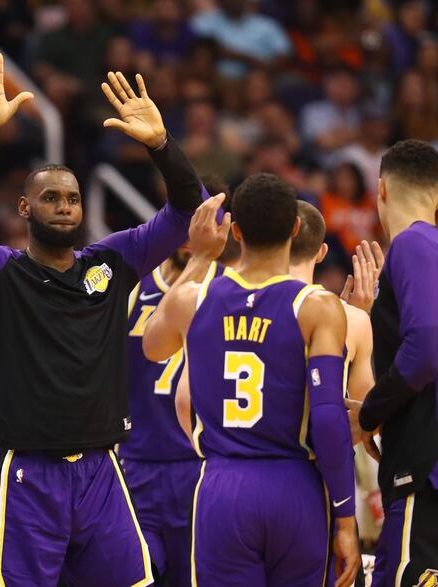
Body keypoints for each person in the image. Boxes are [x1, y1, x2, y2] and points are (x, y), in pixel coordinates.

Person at [0, 48, 206, 587]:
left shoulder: (113, 260)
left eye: (73, 199)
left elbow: (189, 212)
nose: (64, 206)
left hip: (104, 469)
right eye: (51, 198)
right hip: (28, 473)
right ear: (23, 208)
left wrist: (160, 144)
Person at [143, 173, 360, 587]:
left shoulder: (194, 299)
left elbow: (153, 346)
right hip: (295, 485)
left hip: (222, 487)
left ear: (236, 231)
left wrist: (202, 257)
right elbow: (330, 419)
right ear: (295, 229)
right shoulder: (316, 306)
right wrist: (346, 518)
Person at [122, 191, 231, 587]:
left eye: (205, 226)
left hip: (201, 466)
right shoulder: (134, 287)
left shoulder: (229, 292)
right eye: (188, 225)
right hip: (135, 464)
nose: (192, 236)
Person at [358, 140, 438, 587]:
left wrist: (372, 411)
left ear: (382, 190)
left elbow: (427, 346)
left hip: (427, 467)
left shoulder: (413, 243)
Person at [290, 202, 375, 419]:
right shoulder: (354, 319)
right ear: (322, 252)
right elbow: (364, 418)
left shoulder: (243, 303)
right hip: (315, 450)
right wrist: (357, 318)